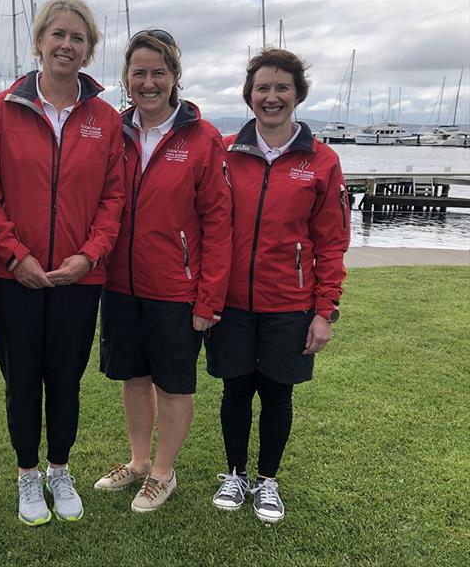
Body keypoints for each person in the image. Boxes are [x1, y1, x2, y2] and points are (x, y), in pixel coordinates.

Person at [0, 0, 124, 526]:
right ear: (39, 40)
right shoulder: (1, 110)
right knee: (22, 380)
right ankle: (26, 475)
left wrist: (90, 256)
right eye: (58, 34)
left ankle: (59, 469)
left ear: (89, 49)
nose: (67, 45)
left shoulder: (105, 120)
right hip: (12, 277)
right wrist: (15, 255)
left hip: (79, 279)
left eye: (78, 37)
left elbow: (114, 198)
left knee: (65, 379)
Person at [206, 48, 350, 523]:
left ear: (298, 95)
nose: (271, 97)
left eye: (281, 88)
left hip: (290, 302)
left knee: (277, 392)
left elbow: (331, 242)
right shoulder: (225, 152)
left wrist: (324, 310)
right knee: (235, 390)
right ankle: (235, 472)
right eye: (262, 88)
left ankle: (267, 480)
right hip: (232, 302)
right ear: (249, 96)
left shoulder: (322, 161)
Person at [94, 30, 233, 512]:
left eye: (158, 72)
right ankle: (136, 463)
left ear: (175, 77)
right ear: (126, 79)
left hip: (176, 287)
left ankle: (163, 471)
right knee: (132, 377)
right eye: (139, 73)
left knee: (173, 383)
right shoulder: (114, 131)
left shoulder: (203, 138)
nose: (148, 82)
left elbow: (219, 223)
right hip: (119, 284)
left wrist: (210, 297)